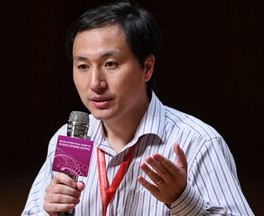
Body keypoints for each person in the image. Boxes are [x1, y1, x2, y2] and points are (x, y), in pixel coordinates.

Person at [22, 1, 254, 215]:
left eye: (110, 64)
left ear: (147, 68)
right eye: (83, 66)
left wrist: (183, 200)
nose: (95, 83)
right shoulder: (70, 139)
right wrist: (48, 212)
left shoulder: (197, 142)